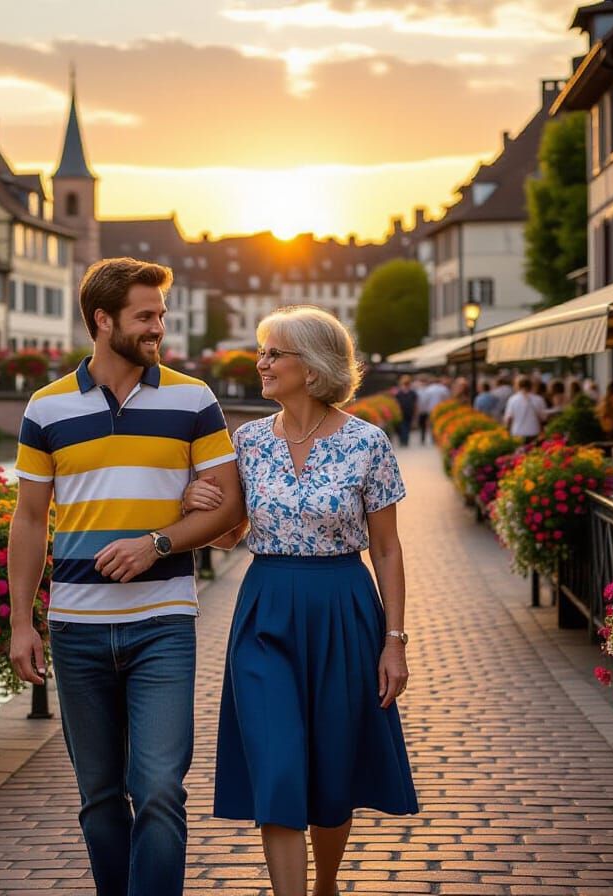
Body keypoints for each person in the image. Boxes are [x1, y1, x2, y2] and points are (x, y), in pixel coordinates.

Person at [7, 257, 244, 896]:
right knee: (100, 797)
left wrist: (157, 543)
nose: (157, 328)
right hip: (76, 629)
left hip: (163, 623)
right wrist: (20, 623)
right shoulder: (46, 408)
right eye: (145, 316)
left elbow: (229, 509)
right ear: (102, 320)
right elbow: (29, 520)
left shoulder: (194, 399)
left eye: (161, 316)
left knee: (162, 789)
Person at [184, 305, 417, 896]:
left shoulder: (368, 443)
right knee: (277, 762)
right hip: (266, 607)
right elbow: (232, 532)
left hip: (344, 607)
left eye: (272, 353)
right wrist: (195, 507)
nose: (260, 362)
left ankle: (325, 886)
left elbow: (387, 551)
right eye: (261, 351)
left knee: (332, 764)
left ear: (311, 369)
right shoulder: (248, 442)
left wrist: (395, 643)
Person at [503, 375, 547, 440]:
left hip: (517, 432)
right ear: (531, 386)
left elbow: (508, 418)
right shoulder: (538, 399)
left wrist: (506, 430)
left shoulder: (512, 399)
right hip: (534, 431)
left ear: (517, 386)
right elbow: (544, 418)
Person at [393, 375, 418, 447]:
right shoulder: (400, 393)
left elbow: (415, 404)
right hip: (403, 413)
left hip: (407, 412)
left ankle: (404, 441)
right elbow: (396, 403)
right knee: (404, 427)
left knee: (405, 427)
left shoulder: (411, 393)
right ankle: (404, 440)